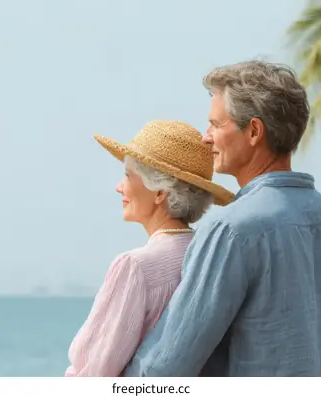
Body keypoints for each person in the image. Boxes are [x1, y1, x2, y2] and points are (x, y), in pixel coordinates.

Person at [121, 60, 321, 377]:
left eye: (215, 125)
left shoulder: (233, 230)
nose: (206, 137)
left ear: (253, 131)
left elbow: (164, 366)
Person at [64, 119, 235, 376]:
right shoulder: (213, 258)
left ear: (159, 192)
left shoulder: (136, 267)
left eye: (127, 175)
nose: (119, 187)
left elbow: (94, 369)